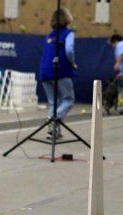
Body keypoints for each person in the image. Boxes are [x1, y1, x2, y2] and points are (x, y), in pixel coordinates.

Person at [39, 7, 76, 140]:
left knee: (53, 102)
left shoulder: (49, 35)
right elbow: (69, 50)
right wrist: (72, 62)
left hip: (45, 71)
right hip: (61, 69)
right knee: (68, 100)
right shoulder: (68, 33)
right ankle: (52, 119)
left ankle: (53, 131)